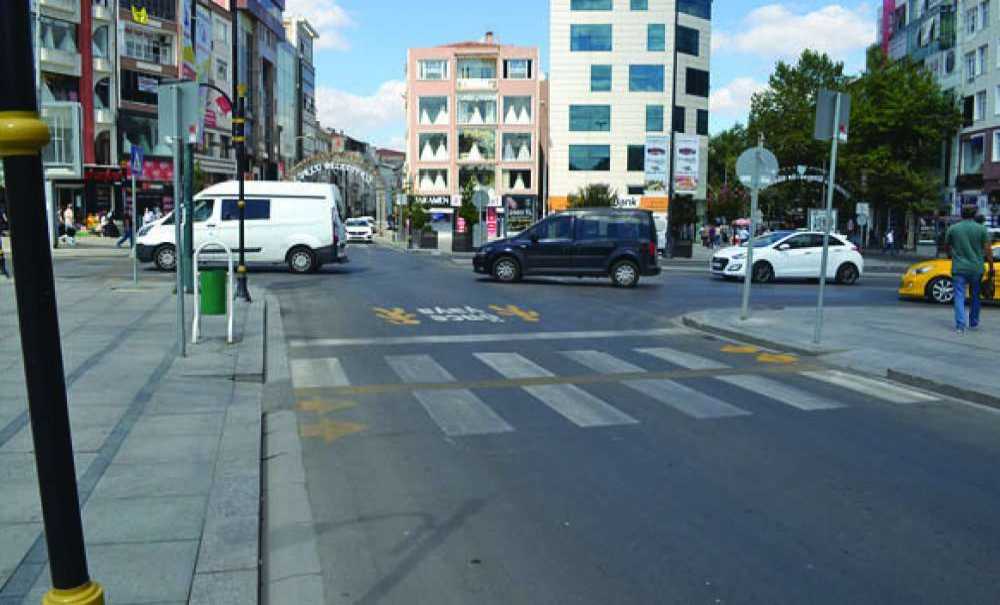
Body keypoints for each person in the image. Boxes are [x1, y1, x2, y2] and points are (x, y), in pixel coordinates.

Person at [945, 205, 994, 334]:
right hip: (976, 268)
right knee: (975, 295)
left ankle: (960, 325)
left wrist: (952, 254)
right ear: (975, 214)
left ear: (961, 214)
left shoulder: (953, 228)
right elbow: (988, 250)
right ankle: (973, 322)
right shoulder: (981, 229)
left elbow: (947, 246)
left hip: (959, 267)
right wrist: (991, 265)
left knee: (959, 296)